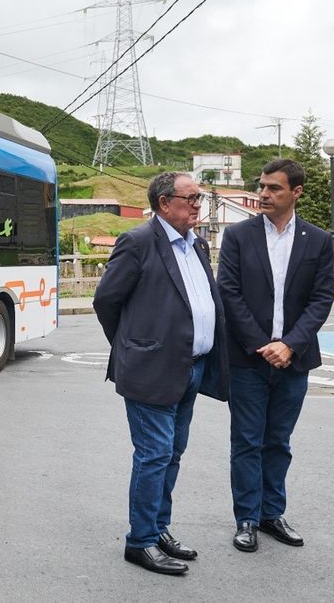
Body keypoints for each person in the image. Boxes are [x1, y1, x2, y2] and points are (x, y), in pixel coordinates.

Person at [93, 171, 229, 576]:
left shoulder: (197, 245)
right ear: (164, 202)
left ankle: (158, 527)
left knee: (172, 454)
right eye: (191, 198)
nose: (197, 205)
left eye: (200, 198)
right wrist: (134, 346)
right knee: (153, 455)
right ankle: (140, 541)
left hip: (192, 367)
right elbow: (106, 301)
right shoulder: (137, 242)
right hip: (151, 369)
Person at [217, 158, 334, 553]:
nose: (263, 194)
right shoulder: (237, 236)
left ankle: (272, 514)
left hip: (294, 359)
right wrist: (261, 344)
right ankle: (247, 519)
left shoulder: (317, 240)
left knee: (278, 442)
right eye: (262, 186)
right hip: (248, 358)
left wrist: (290, 344)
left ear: (296, 192)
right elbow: (229, 293)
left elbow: (321, 299)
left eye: (274, 188)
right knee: (247, 441)